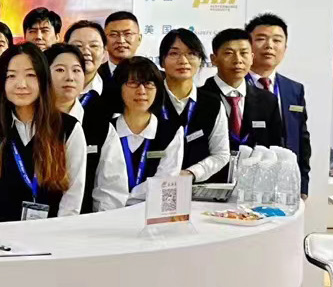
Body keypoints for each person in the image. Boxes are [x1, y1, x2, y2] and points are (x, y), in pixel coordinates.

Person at [0, 42, 87, 222]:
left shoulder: (69, 129)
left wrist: (59, 235)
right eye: (11, 76)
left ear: (43, 79)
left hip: (48, 233)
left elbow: (72, 198)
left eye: (30, 75)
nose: (21, 84)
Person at [91, 57, 183, 211]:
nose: (141, 91)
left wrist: (129, 200)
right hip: (107, 214)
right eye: (133, 83)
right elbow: (102, 183)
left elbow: (165, 180)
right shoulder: (105, 130)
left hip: (150, 212)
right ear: (119, 87)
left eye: (148, 84)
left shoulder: (171, 132)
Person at [200, 28, 284, 168]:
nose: (238, 60)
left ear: (252, 57)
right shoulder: (198, 99)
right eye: (229, 53)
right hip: (209, 178)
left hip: (255, 178)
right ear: (214, 59)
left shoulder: (268, 100)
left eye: (244, 53)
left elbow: (275, 148)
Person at [248, 12, 311, 195]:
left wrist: (302, 186)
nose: (269, 45)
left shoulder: (294, 89)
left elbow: (302, 140)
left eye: (277, 40)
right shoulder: (235, 87)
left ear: (285, 47)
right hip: (247, 181)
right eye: (261, 39)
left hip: (285, 184)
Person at [156, 29, 230, 185]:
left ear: (200, 60)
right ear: (162, 61)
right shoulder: (149, 98)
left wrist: (191, 173)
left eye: (191, 54)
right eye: (174, 53)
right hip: (151, 187)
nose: (183, 60)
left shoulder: (212, 103)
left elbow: (221, 154)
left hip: (197, 189)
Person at [46, 42, 108, 213]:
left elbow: (109, 188)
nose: (70, 77)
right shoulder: (30, 121)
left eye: (76, 70)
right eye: (60, 70)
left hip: (85, 223)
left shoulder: (100, 126)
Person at [64, 20, 107, 105]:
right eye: (78, 46)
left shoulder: (114, 93)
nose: (86, 52)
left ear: (104, 53)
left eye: (94, 46)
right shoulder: (48, 88)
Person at [99, 11, 141, 83]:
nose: (121, 41)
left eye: (127, 34)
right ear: (104, 40)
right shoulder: (94, 75)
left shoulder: (154, 76)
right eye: (113, 34)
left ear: (139, 39)